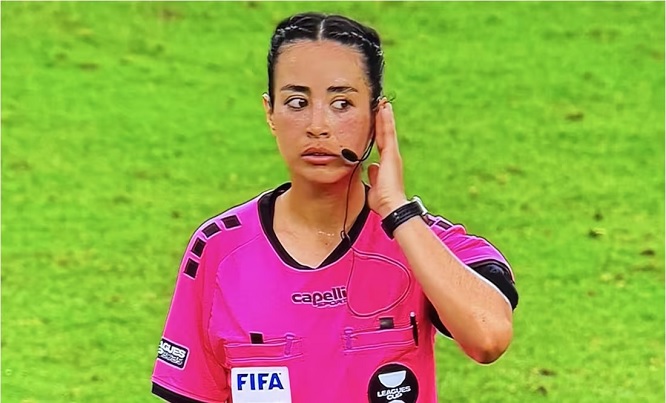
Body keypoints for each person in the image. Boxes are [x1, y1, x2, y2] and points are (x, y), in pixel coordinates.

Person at [151, 11, 518, 403]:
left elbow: (488, 338)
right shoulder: (219, 248)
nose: (318, 125)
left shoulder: (422, 242)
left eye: (342, 103)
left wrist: (397, 211)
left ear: (377, 115)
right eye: (296, 102)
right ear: (270, 113)